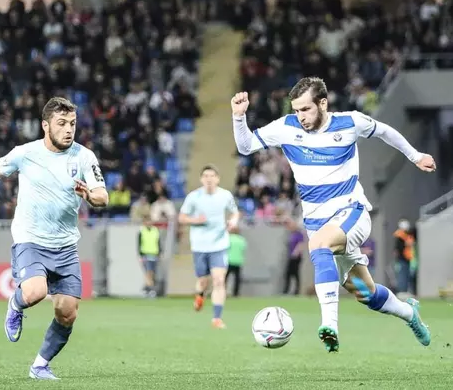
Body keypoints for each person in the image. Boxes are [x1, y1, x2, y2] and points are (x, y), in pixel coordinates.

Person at [231, 76, 435, 352]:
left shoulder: (350, 123)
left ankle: (330, 325)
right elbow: (245, 147)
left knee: (319, 245)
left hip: (352, 212)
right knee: (366, 293)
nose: (301, 116)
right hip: (317, 223)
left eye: (306, 109)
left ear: (323, 103)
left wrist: (415, 156)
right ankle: (410, 314)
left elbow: (385, 131)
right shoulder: (285, 128)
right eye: (297, 110)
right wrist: (239, 117)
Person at [0, 97, 109, 380]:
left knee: (67, 313)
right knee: (34, 292)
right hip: (31, 239)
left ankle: (40, 366)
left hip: (66, 245)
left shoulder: (84, 156)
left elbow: (103, 196)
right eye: (62, 123)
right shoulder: (25, 153)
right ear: (45, 125)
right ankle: (15, 304)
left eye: (72, 123)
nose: (68, 130)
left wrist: (88, 195)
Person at [178, 165, 239, 329]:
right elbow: (182, 218)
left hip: (219, 244)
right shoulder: (193, 197)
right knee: (203, 281)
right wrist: (195, 220)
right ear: (201, 179)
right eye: (205, 176)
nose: (209, 179)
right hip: (199, 245)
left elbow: (235, 212)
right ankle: (199, 295)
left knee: (219, 280)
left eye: (212, 176)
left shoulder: (225, 195)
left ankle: (217, 318)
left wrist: (233, 221)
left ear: (217, 179)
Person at [138, 214, 162, 297]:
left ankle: (146, 289)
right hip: (145, 255)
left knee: (152, 273)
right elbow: (139, 244)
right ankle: (151, 290)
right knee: (148, 272)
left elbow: (158, 243)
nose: (149, 223)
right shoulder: (142, 231)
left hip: (154, 254)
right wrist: (140, 256)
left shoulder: (155, 230)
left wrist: (160, 253)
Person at [226, 225, 247, 297]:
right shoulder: (242, 240)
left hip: (229, 261)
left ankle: (223, 291)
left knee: (225, 278)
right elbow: (243, 249)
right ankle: (236, 293)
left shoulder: (228, 239)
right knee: (237, 278)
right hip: (238, 261)